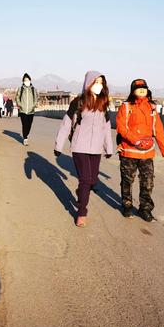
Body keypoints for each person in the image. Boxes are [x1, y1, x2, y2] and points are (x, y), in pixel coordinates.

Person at [54, 71, 114, 227]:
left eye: (101, 82)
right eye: (96, 82)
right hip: (79, 146)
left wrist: (109, 148)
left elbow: (106, 127)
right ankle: (81, 212)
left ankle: (81, 192)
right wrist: (58, 146)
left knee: (92, 180)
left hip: (96, 149)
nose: (99, 85)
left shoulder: (103, 103)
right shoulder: (78, 102)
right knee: (86, 179)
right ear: (89, 83)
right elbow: (66, 124)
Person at [115, 79, 164, 222]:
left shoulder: (152, 108)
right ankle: (127, 205)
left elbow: (158, 129)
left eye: (144, 88)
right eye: (138, 88)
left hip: (147, 152)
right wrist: (135, 140)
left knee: (147, 181)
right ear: (132, 91)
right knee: (127, 180)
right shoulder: (126, 107)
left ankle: (145, 209)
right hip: (129, 151)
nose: (141, 90)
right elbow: (121, 127)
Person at [15, 73, 38, 146]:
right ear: (23, 81)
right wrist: (20, 105)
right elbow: (17, 97)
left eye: (27, 80)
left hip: (31, 110)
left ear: (30, 80)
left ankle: (26, 134)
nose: (26, 81)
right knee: (24, 124)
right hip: (23, 110)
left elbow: (36, 98)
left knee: (29, 125)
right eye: (25, 80)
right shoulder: (20, 89)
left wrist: (34, 105)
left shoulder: (33, 89)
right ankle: (25, 138)